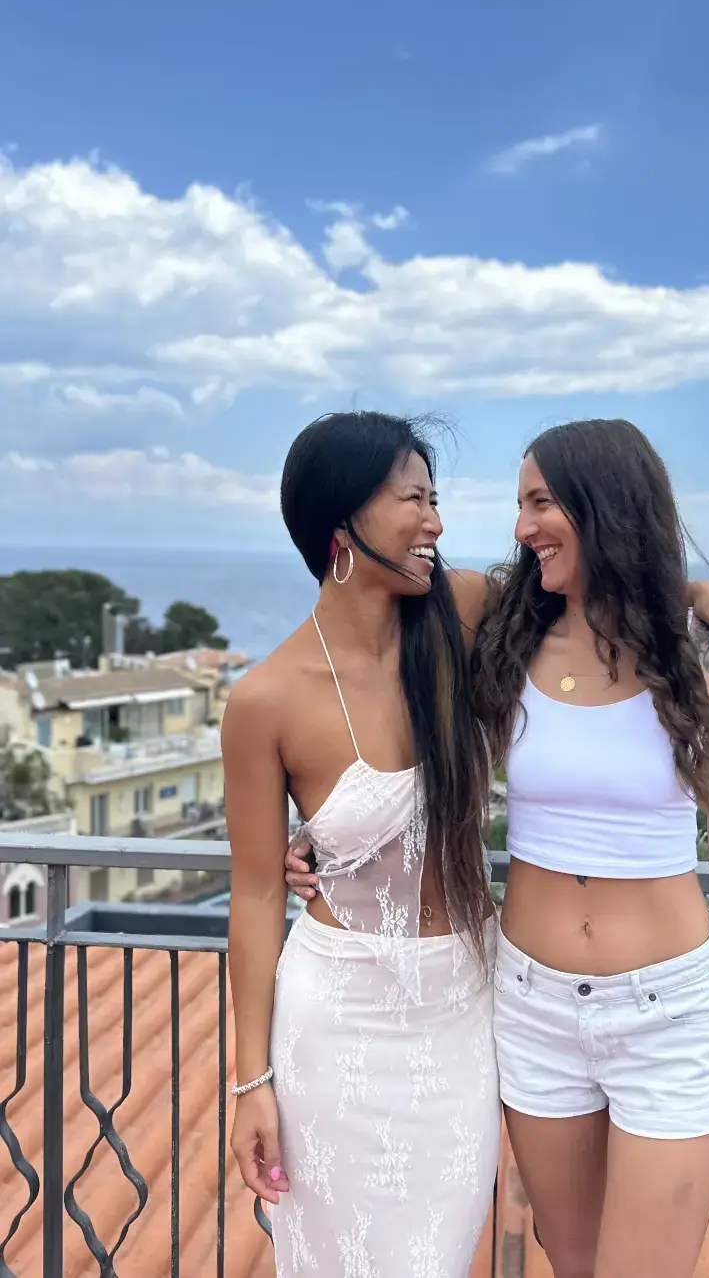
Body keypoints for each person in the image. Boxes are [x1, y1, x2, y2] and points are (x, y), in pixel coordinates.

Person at [284, 415, 709, 1278]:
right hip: (532, 1008)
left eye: (542, 502)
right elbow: (364, 655)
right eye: (521, 505)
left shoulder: (708, 659)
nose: (522, 526)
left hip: (668, 1015)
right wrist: (327, 823)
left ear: (606, 505)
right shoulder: (506, 629)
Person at [224, 412, 500, 1278]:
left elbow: (588, 586)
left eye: (435, 499)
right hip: (336, 1022)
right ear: (342, 523)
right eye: (414, 499)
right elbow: (256, 894)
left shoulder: (459, 617)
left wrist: (696, 596)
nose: (436, 523)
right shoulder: (265, 699)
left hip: (462, 1008)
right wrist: (250, 1082)